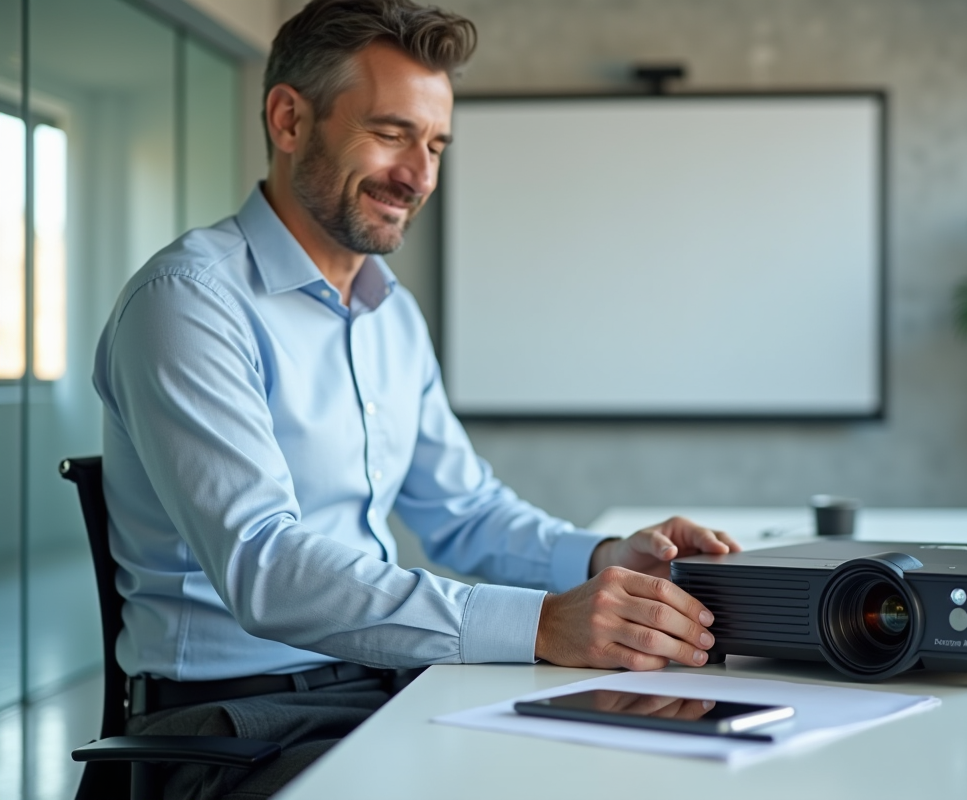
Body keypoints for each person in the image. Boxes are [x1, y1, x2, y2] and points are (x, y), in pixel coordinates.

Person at [92, 1, 741, 796]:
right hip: (234, 727)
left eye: (435, 145)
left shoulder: (389, 312)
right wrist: (541, 622)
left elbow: (465, 513)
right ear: (289, 120)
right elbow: (266, 565)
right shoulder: (189, 302)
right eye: (391, 133)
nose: (420, 176)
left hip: (388, 685)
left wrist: (606, 559)